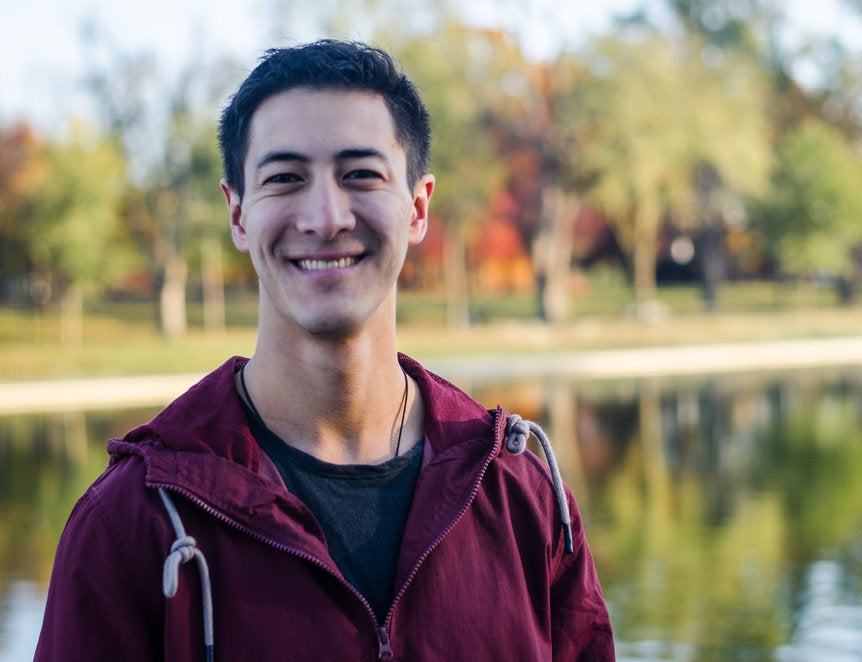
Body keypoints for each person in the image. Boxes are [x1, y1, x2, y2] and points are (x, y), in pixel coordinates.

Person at [34, 39, 614, 661]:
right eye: (285, 179)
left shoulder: (519, 491)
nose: (326, 216)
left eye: (360, 174)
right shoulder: (133, 524)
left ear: (417, 207)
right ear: (238, 215)